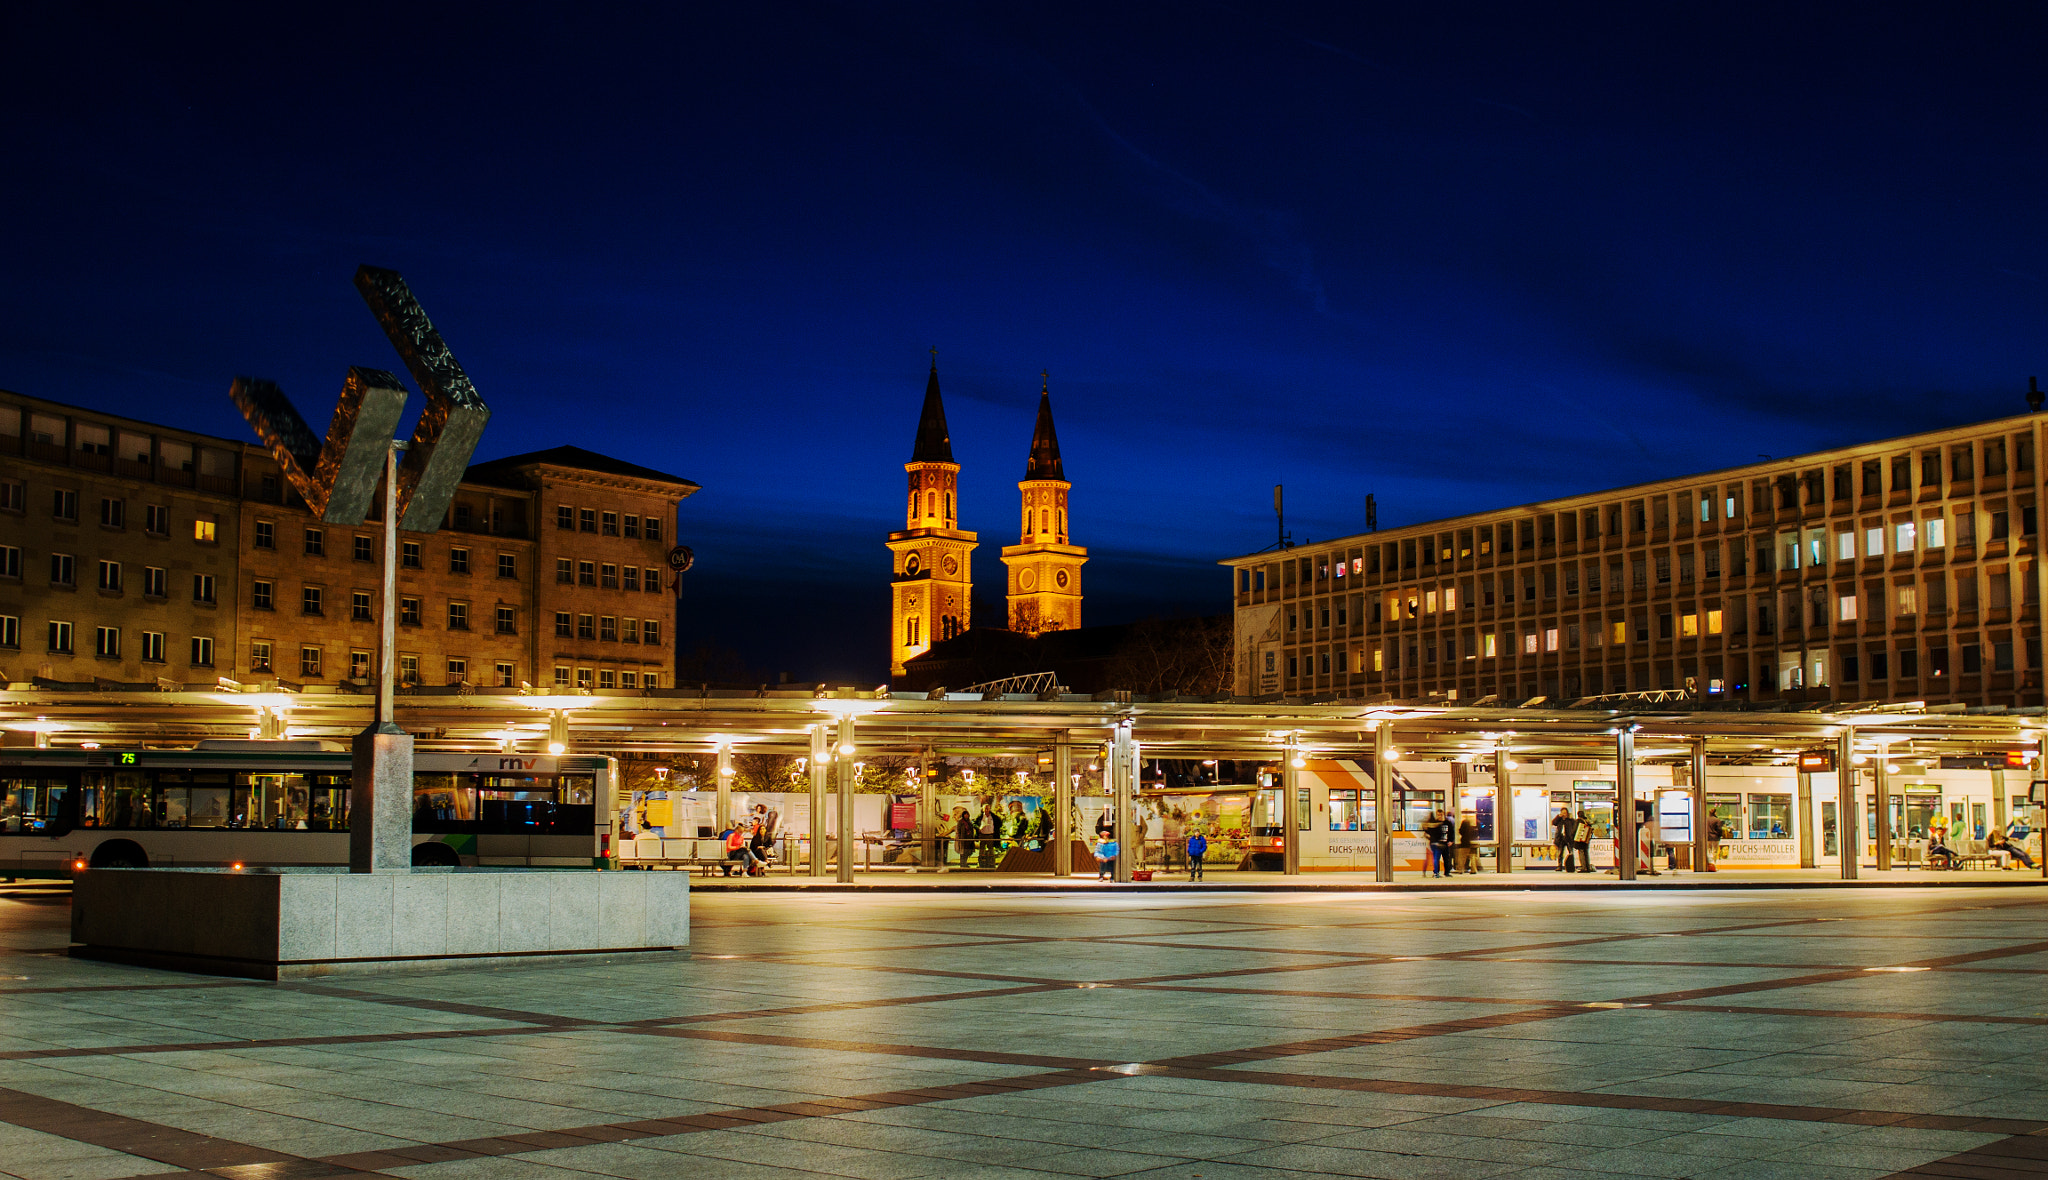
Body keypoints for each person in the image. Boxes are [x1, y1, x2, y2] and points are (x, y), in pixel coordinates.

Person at [1426, 809, 1455, 878]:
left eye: (1440, 815)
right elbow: (1429, 832)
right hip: (1438, 844)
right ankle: (1436, 872)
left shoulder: (1447, 822)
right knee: (1436, 858)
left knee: (1446, 858)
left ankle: (1447, 872)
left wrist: (1451, 841)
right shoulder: (1435, 823)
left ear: (1443, 814)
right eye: (1438, 815)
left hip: (1445, 843)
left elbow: (1451, 832)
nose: (1439, 816)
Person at [1551, 807, 1574, 871]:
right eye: (1562, 813)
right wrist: (1558, 816)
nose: (1564, 814)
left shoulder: (1570, 820)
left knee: (1571, 852)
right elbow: (1554, 823)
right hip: (1561, 838)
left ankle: (1571, 866)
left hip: (1568, 838)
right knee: (1560, 853)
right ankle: (1559, 866)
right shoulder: (1559, 820)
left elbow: (1574, 827)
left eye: (1565, 813)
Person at [1571, 808, 1593, 873]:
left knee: (1581, 853)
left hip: (1580, 840)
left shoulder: (1578, 821)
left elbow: (1574, 830)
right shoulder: (1586, 821)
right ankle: (1587, 867)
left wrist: (1572, 837)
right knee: (1585, 853)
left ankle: (1584, 867)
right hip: (1585, 840)